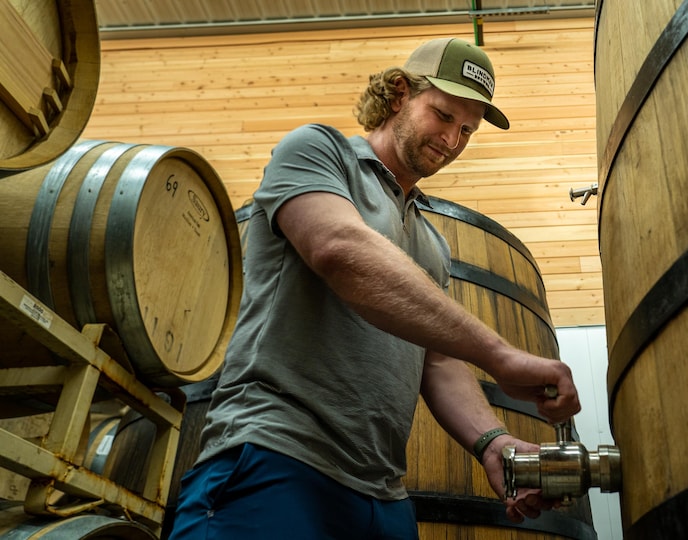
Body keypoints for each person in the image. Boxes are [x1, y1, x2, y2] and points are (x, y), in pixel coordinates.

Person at [167, 37, 581, 539]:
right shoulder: (319, 152)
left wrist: (492, 442)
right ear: (400, 93)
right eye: (444, 116)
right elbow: (338, 249)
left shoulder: (431, 243)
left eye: (467, 131)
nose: (452, 141)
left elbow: (438, 360)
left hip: (384, 494)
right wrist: (498, 354)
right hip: (276, 455)